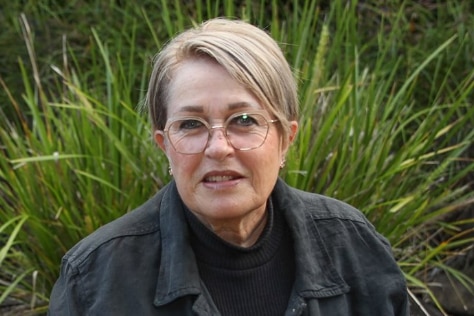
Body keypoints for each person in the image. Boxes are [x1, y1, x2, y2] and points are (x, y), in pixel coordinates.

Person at [48, 18, 409, 315]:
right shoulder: (96, 279)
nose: (218, 148)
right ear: (164, 146)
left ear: (286, 138)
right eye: (191, 125)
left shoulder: (353, 247)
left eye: (244, 119)